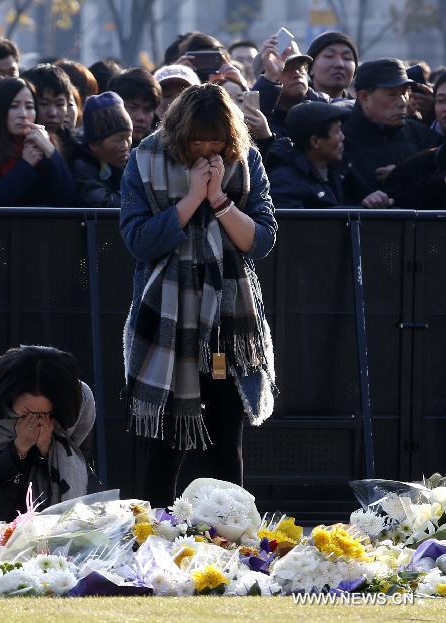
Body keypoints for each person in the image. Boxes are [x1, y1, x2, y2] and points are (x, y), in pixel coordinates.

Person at [120, 83, 277, 506]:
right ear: (179, 135)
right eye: (197, 141)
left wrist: (220, 200)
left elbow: (260, 241)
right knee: (166, 443)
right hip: (166, 322)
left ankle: (233, 537)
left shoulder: (245, 161)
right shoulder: (146, 159)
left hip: (229, 321)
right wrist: (191, 198)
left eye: (216, 141)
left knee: (227, 437)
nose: (207, 150)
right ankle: (155, 534)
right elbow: (139, 241)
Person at [0, 345, 95, 521]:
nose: (36, 419)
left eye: (45, 413)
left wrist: (46, 451)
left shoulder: (79, 403)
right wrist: (19, 448)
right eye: (27, 412)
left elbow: (82, 471)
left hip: (56, 520)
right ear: (9, 398)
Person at [342, 58, 441, 206]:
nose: (402, 102)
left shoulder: (421, 135)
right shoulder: (340, 141)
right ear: (364, 98)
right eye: (392, 94)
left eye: (405, 93)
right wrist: (360, 207)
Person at [0, 77, 76, 207]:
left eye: (29, 107)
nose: (23, 114)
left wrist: (50, 152)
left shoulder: (44, 146)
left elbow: (68, 197)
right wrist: (25, 165)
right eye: (14, 106)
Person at [266, 101, 351, 209]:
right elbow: (296, 224)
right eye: (337, 131)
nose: (342, 137)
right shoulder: (284, 182)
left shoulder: (337, 172)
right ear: (315, 141)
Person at [252, 34, 326, 140]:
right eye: (286, 68)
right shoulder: (257, 122)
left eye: (300, 67)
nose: (297, 73)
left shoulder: (325, 105)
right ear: (266, 77)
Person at [72, 91, 132, 208]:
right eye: (118, 140)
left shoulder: (125, 163)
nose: (125, 146)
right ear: (94, 144)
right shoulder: (81, 168)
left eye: (128, 137)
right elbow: (105, 203)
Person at [108, 68, 161, 145]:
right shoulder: (95, 148)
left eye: (148, 110)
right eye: (133, 107)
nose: (141, 117)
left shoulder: (164, 150)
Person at [306, 31, 358, 100]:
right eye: (329, 56)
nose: (339, 64)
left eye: (347, 58)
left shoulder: (362, 109)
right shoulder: (292, 106)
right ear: (311, 67)